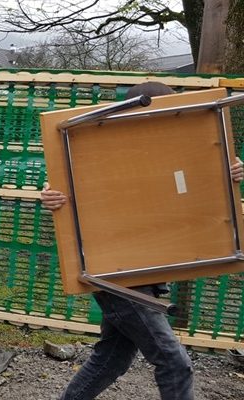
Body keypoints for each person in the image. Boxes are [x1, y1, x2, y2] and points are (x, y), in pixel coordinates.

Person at [41, 81, 244, 400]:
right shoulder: (103, 146)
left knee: (111, 360)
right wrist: (51, 195)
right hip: (114, 276)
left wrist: (226, 175)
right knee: (175, 364)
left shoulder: (166, 152)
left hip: (144, 274)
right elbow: (66, 181)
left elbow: (189, 193)